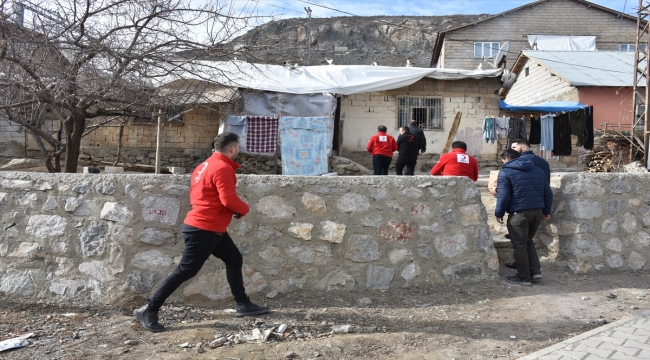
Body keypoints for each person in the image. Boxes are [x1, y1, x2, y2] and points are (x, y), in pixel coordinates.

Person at [134, 132, 269, 333]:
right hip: (203, 229)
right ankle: (149, 310)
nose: (238, 151)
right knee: (185, 270)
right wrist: (243, 210)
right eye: (238, 147)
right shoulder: (222, 167)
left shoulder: (203, 166)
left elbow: (205, 196)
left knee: (234, 259)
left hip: (210, 227)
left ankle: (243, 304)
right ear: (232, 148)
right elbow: (228, 199)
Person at [495, 149, 553, 286]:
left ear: (507, 159)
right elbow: (547, 193)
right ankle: (535, 272)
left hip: (519, 213)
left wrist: (499, 213)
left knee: (519, 245)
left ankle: (524, 277)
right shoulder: (538, 170)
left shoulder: (505, 172)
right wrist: (546, 211)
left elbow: (504, 196)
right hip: (537, 212)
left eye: (503, 161)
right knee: (528, 241)